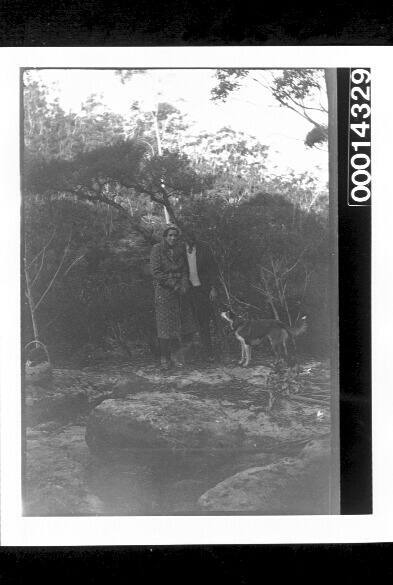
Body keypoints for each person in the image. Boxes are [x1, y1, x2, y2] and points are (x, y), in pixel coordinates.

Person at [150, 226, 197, 370]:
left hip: (180, 292)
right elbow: (156, 272)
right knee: (164, 327)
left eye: (175, 235)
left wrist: (183, 285)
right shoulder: (157, 249)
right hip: (164, 292)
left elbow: (184, 270)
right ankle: (164, 358)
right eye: (170, 235)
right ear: (165, 236)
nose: (173, 238)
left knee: (179, 325)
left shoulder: (179, 249)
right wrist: (173, 284)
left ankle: (176, 357)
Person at [183, 228, 219, 361]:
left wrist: (213, 288)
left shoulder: (204, 248)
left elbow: (212, 268)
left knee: (204, 322)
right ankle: (191, 355)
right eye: (187, 237)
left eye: (192, 237)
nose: (190, 240)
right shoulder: (180, 250)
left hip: (203, 290)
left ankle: (209, 354)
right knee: (189, 324)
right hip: (187, 291)